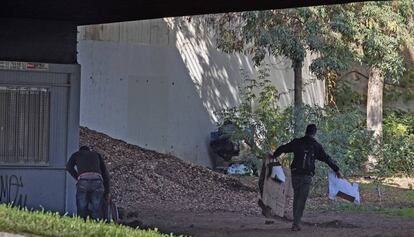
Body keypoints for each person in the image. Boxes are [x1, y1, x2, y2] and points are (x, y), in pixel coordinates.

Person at [272, 124, 342, 231]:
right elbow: (327, 158)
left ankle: (296, 222)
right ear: (314, 133)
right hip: (306, 176)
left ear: (306, 131)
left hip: (295, 174)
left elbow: (283, 148)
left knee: (297, 197)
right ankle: (296, 223)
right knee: (301, 199)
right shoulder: (316, 146)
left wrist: (273, 156)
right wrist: (336, 169)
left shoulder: (297, 142)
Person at [66, 146, 110, 220]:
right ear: (89, 150)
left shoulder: (76, 154)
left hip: (83, 180)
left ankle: (82, 223)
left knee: (82, 206)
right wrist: (107, 191)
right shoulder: (96, 155)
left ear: (80, 151)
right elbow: (105, 173)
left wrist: (77, 177)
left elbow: (69, 167)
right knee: (97, 207)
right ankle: (98, 224)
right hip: (97, 180)